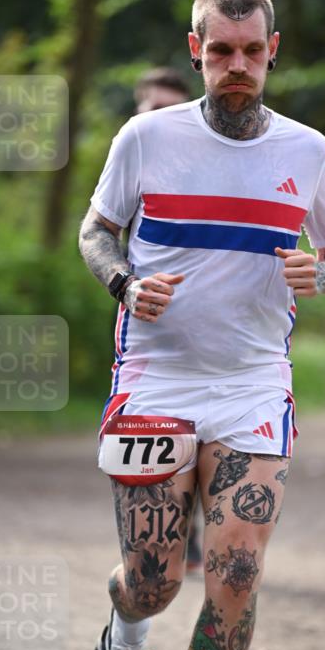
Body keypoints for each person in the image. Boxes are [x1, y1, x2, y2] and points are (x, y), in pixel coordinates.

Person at [78, 0, 325, 650]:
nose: (235, 67)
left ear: (273, 51)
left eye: (250, 52)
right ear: (196, 48)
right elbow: (96, 230)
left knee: (236, 568)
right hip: (155, 380)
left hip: (251, 384)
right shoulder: (144, 138)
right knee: (156, 577)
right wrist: (124, 283)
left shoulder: (308, 151)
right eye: (218, 51)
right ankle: (125, 629)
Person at [132, 66, 204, 573]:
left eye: (174, 108)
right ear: (139, 109)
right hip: (147, 336)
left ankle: (194, 531)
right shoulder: (128, 161)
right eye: (156, 108)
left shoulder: (211, 165)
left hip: (217, 337)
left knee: (213, 440)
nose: (165, 119)